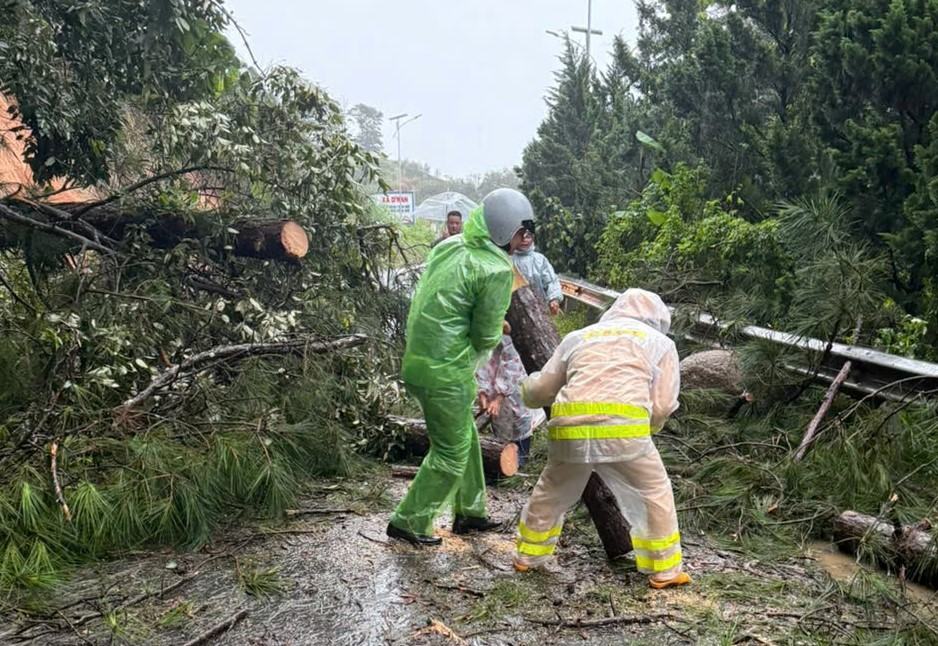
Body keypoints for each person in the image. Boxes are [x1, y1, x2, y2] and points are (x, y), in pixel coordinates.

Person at [512, 288, 691, 589]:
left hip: (569, 429)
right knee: (654, 491)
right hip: (625, 432)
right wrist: (650, 427)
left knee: (551, 490)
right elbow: (661, 405)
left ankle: (526, 557)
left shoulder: (579, 337)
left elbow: (541, 390)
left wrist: (524, 388)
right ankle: (665, 571)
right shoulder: (661, 343)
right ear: (658, 319)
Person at [387, 189, 536, 546]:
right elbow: (485, 335)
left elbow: (441, 299)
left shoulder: (448, 247)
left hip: (420, 363)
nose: (525, 238)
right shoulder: (497, 268)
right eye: (522, 230)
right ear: (504, 231)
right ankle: (409, 520)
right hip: (447, 371)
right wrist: (500, 324)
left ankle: (470, 511)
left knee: (465, 438)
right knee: (451, 453)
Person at [475, 321, 546, 466]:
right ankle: (500, 454)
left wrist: (499, 396)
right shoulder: (476, 340)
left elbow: (512, 367)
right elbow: (478, 366)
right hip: (491, 386)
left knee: (518, 418)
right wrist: (482, 393)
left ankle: (521, 457)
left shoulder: (506, 339)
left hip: (512, 387)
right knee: (499, 423)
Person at [513, 230, 563, 315]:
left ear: (533, 238)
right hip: (515, 310)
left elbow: (551, 281)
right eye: (520, 237)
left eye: (528, 237)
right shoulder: (508, 259)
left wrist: (554, 299)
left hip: (539, 309)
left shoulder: (540, 260)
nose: (524, 240)